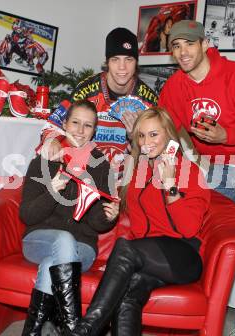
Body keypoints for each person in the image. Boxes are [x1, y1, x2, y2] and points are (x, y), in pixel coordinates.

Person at [158, 20, 235, 336]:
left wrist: (227, 134)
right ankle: (196, 312)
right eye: (176, 46)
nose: (183, 51)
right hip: (218, 166)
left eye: (189, 43)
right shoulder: (175, 87)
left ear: (204, 44)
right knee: (199, 234)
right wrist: (164, 159)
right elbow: (167, 132)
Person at [42, 107, 211, 336]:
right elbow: (135, 224)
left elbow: (189, 228)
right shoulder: (140, 171)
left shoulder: (189, 172)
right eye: (141, 135)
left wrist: (170, 184)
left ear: (169, 137)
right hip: (149, 258)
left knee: (124, 249)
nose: (146, 141)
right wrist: (118, 265)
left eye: (154, 134)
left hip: (183, 257)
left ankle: (82, 331)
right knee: (127, 296)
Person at [20, 99, 119, 335]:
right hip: (38, 241)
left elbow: (98, 223)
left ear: (94, 130)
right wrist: (53, 191)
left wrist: (110, 216)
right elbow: (28, 215)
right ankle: (74, 328)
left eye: (88, 125)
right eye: (75, 122)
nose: (80, 131)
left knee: (50, 266)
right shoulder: (45, 158)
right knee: (63, 239)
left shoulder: (101, 167)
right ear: (64, 123)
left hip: (83, 249)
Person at [42, 27, 158, 168]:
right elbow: (53, 124)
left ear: (136, 63)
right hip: (86, 171)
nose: (122, 67)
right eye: (115, 59)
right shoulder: (86, 90)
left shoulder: (149, 100)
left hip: (128, 177)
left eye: (129, 59)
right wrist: (52, 140)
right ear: (107, 62)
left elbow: (160, 148)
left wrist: (136, 137)